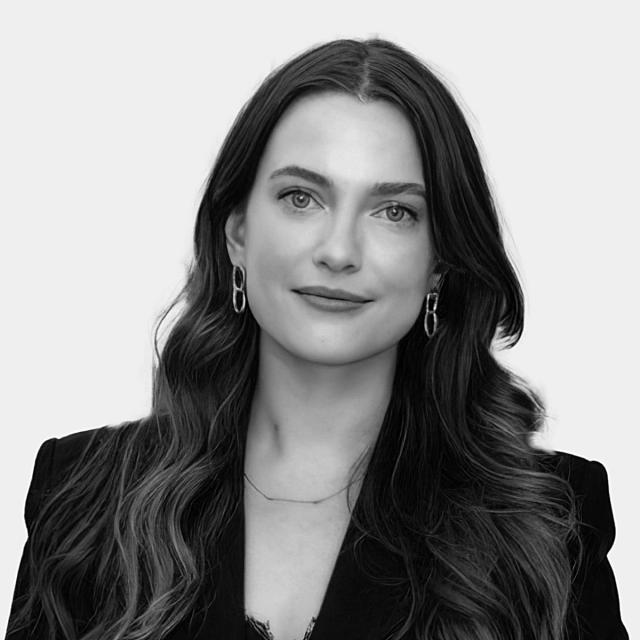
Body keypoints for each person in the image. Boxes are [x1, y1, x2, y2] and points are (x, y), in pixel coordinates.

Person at [6, 37, 628, 640]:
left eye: (395, 212)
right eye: (301, 198)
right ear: (237, 233)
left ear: (439, 262)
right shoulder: (82, 495)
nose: (338, 251)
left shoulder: (552, 523)